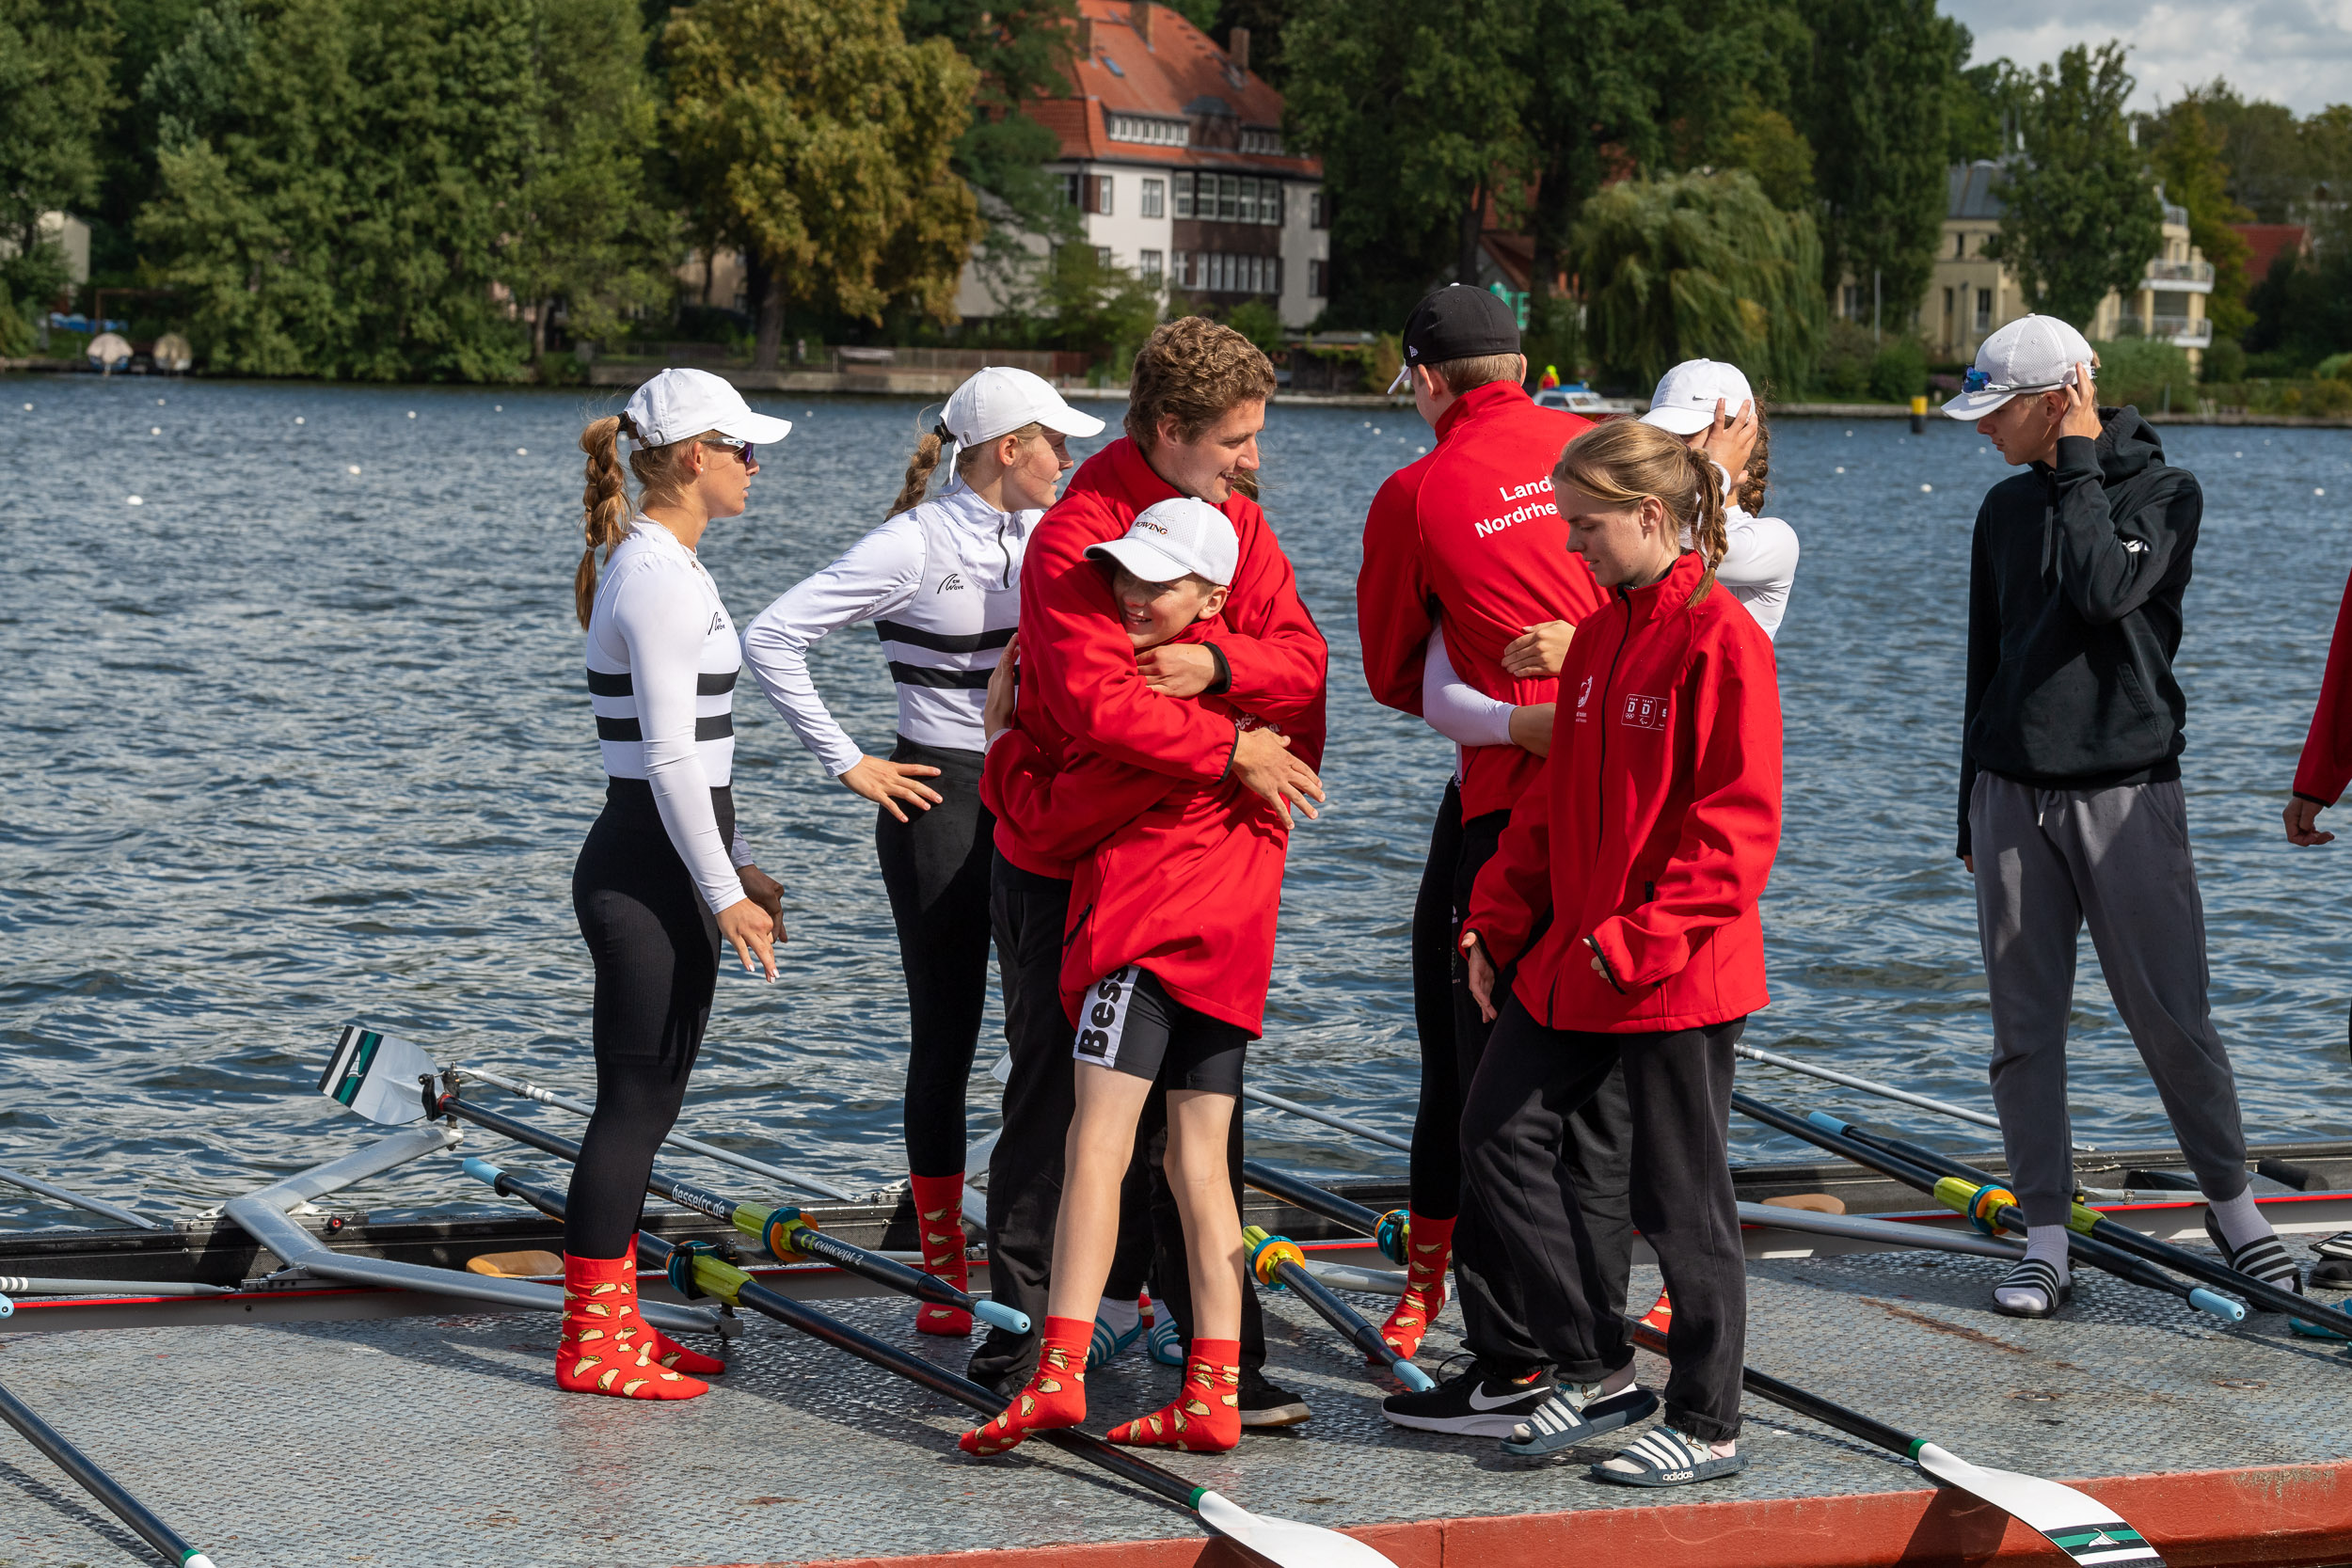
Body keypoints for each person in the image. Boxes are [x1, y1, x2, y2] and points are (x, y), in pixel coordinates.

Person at [968, 317, 1327, 1432]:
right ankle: (1023, 1328)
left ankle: (1214, 1353)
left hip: (1171, 856)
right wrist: (1231, 743)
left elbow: (1307, 675)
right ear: (1169, 431)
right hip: (1065, 852)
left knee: (1193, 1123)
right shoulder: (1078, 531)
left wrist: (1218, 663)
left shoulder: (1238, 527)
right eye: (1234, 440)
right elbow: (1089, 705)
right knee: (1051, 1093)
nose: (1250, 460)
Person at [1946, 313, 2296, 1318]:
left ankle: (2237, 1216)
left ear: (2056, 402)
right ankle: (2045, 1238)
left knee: (2172, 1021)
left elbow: (2103, 589)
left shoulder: (2167, 493)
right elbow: (1985, 660)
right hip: (2010, 791)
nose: (1980, 431)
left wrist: (2078, 463)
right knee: (2023, 1031)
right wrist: (1967, 811)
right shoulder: (2001, 512)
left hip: (2130, 792)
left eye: (1996, 411)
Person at [740, 369, 1104, 1335]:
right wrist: (851, 762)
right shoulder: (910, 542)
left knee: (1047, 1036)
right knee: (947, 1036)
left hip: (1034, 796)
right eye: (1052, 440)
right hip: (933, 797)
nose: (1068, 457)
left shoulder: (1049, 535)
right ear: (1004, 450)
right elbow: (772, 637)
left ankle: (1042, 1255)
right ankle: (946, 1272)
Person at [1459, 417, 1782, 1488]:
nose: (1570, 544)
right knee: (1494, 1133)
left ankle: (1708, 1419)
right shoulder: (1597, 634)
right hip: (1577, 959)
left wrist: (1635, 940)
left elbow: (1735, 828)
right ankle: (1595, 1365)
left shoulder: (1719, 635)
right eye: (1566, 524)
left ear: (1652, 516)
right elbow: (1550, 805)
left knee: (1682, 1198)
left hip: (1675, 968)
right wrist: (1496, 916)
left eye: (1586, 525)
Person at [1357, 285, 1648, 1442]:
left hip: (1508, 820)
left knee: (1481, 1078)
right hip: (1623, 811)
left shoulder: (1417, 490)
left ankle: (1511, 1359)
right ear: (1522, 364)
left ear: (1426, 379)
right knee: (1595, 1092)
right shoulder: (1612, 455)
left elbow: (1388, 673)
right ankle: (1598, 1338)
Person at [561, 368, 792, 1400]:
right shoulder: (653, 574)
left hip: (672, 866)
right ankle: (589, 1340)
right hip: (646, 872)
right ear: (694, 456)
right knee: (630, 1105)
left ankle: (620, 1321)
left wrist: (733, 870)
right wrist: (720, 889)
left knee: (649, 1103)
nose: (757, 467)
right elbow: (665, 758)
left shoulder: (669, 564)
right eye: (745, 449)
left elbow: (696, 754)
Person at [1639, 358, 1801, 641]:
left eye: (1685, 435)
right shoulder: (1639, 519)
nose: (1667, 450)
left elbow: (1684, 547)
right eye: (1660, 437)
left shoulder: (1775, 541)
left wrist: (1717, 471)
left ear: (1742, 442)